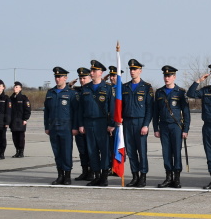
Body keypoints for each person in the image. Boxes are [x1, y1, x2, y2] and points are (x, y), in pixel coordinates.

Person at [77, 60, 115, 186]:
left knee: (104, 151)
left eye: (94, 71)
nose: (91, 73)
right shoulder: (85, 88)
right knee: (92, 150)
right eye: (91, 70)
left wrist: (111, 124)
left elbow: (113, 108)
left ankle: (104, 176)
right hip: (89, 123)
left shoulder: (108, 88)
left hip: (102, 123)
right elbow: (80, 109)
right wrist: (81, 124)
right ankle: (96, 175)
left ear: (101, 72)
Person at [153, 65, 190, 188]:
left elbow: (186, 112)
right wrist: (155, 128)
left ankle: (177, 178)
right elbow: (155, 112)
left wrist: (185, 129)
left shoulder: (180, 92)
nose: (166, 78)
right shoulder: (159, 92)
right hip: (163, 126)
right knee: (166, 153)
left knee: (176, 152)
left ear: (174, 77)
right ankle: (168, 177)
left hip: (176, 126)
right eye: (165, 76)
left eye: (169, 76)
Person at [44, 67, 79, 184]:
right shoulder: (50, 93)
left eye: (60, 77)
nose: (57, 79)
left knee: (66, 152)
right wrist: (47, 126)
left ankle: (67, 175)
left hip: (66, 127)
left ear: (66, 78)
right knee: (57, 152)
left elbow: (75, 112)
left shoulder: (71, 93)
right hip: (53, 127)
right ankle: (60, 175)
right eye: (56, 77)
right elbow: (46, 112)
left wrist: (75, 127)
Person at [122, 59, 153, 187]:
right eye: (131, 69)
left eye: (135, 69)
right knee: (131, 151)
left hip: (140, 123)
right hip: (128, 122)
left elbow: (149, 108)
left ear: (140, 70)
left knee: (142, 151)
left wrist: (146, 124)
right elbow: (120, 106)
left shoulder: (146, 87)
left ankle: (143, 176)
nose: (132, 71)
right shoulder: (125, 87)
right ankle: (135, 176)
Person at [72, 68, 92, 180]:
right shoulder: (77, 91)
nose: (82, 80)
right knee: (82, 150)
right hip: (78, 125)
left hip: (90, 125)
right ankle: (84, 171)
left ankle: (92, 171)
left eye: (84, 78)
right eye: (80, 78)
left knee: (91, 150)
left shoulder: (93, 90)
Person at [9, 82, 31, 158]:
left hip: (21, 120)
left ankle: (21, 151)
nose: (15, 88)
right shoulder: (11, 98)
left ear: (20, 88)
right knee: (14, 137)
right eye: (15, 87)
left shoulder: (24, 98)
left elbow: (27, 109)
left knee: (20, 137)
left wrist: (25, 119)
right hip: (13, 121)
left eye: (17, 87)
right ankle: (17, 151)